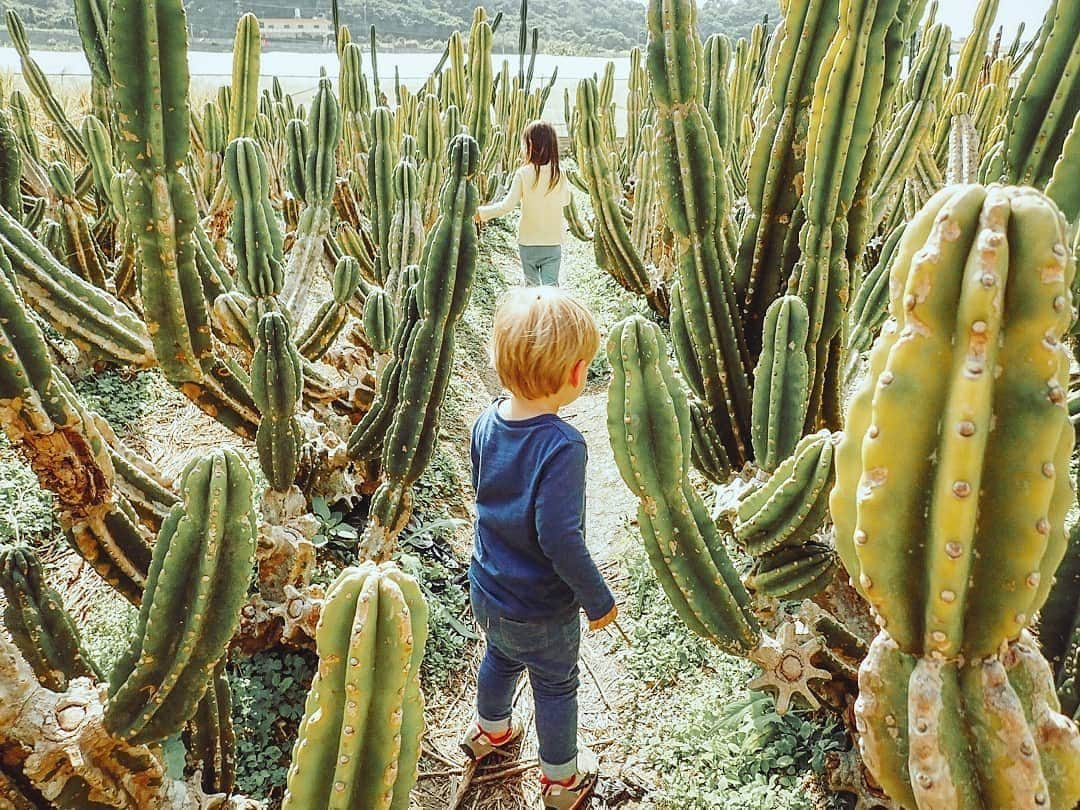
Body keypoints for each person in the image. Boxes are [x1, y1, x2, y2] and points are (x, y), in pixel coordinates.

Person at [461, 287, 617, 809]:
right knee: (555, 685)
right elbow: (560, 538)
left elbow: (484, 491)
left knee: (500, 657)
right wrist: (597, 600)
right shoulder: (562, 446)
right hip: (541, 608)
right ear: (575, 375)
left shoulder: (485, 421)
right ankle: (560, 781)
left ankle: (490, 730)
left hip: (488, 588)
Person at [477, 120, 571, 286]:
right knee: (552, 290)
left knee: (531, 289)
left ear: (530, 145)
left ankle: (532, 313)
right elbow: (565, 200)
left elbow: (507, 205)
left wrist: (481, 213)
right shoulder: (559, 174)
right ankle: (551, 313)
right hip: (552, 241)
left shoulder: (523, 174)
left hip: (528, 242)